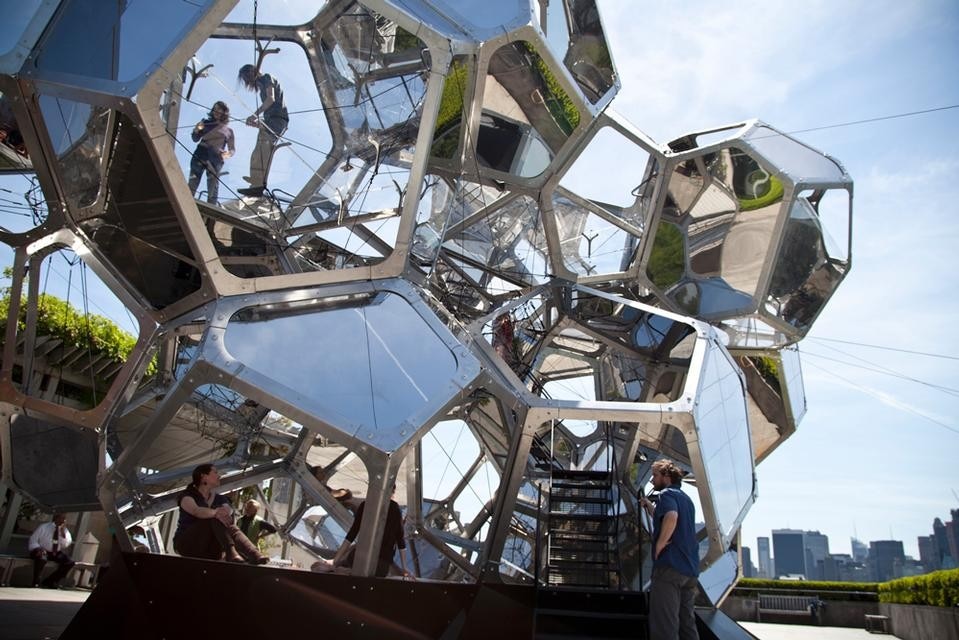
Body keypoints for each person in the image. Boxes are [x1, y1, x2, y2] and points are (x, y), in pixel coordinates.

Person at [640, 459, 700, 640]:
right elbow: (666, 515)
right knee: (686, 623)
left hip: (669, 568)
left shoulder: (666, 494)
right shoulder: (685, 499)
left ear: (666, 476)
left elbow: (671, 517)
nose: (652, 480)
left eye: (655, 475)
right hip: (689, 570)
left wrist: (659, 544)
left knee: (665, 624)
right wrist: (650, 507)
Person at [172, 464, 267, 564]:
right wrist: (216, 513)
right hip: (187, 545)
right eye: (215, 472)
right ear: (203, 476)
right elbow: (197, 511)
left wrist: (222, 513)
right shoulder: (187, 496)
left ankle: (248, 553)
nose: (219, 476)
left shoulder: (220, 498)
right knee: (212, 518)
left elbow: (227, 511)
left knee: (222, 519)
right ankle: (239, 552)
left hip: (211, 549)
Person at [332, 485, 411, 578]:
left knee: (342, 567)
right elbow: (400, 541)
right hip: (380, 566)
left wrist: (335, 561)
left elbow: (351, 535)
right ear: (392, 492)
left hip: (357, 558)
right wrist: (405, 568)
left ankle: (346, 570)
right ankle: (347, 571)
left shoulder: (365, 505)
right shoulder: (395, 508)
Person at [237, 64, 288, 197]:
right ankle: (256, 179)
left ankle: (258, 184)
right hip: (271, 120)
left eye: (246, 78)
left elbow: (271, 99)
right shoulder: (261, 87)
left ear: (251, 73)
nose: (247, 82)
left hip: (277, 119)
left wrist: (254, 116)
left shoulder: (267, 78)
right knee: (257, 152)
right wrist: (257, 123)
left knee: (262, 151)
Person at [187, 100, 234, 204]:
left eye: (219, 110)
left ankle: (210, 215)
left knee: (213, 190)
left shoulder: (228, 131)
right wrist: (196, 130)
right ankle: (186, 206)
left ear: (224, 112)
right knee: (192, 185)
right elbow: (195, 138)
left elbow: (232, 149)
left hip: (215, 160)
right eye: (215, 109)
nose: (216, 112)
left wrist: (228, 154)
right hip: (200, 155)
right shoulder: (205, 122)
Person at [27, 513, 75, 588]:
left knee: (69, 562)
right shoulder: (44, 527)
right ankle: (36, 581)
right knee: (42, 559)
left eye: (65, 519)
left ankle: (50, 581)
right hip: (41, 550)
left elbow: (65, 545)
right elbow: (33, 540)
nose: (64, 520)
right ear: (56, 518)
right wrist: (38, 548)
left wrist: (62, 534)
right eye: (62, 518)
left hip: (55, 552)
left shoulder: (65, 530)